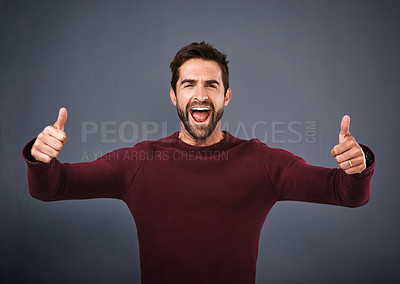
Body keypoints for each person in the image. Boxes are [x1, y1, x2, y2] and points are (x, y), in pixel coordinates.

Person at [22, 41, 375, 284]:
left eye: (212, 85)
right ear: (175, 95)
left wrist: (357, 166)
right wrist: (41, 158)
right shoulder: (139, 162)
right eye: (189, 84)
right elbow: (54, 187)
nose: (201, 94)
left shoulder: (262, 163)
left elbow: (346, 193)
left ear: (226, 96)